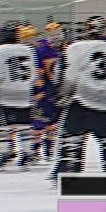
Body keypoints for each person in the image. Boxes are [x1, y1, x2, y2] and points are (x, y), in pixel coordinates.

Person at [52, 16, 106, 176]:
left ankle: (68, 170)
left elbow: (69, 75)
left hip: (80, 101)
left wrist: (62, 95)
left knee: (72, 139)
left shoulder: (74, 47)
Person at [0, 24, 38, 171]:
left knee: (1, 126)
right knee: (24, 124)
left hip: (4, 92)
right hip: (24, 90)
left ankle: (5, 152)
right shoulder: (28, 50)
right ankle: (28, 153)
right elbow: (33, 72)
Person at [32, 21, 64, 165]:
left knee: (53, 122)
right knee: (40, 121)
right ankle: (34, 151)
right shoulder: (41, 49)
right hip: (46, 88)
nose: (56, 36)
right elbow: (37, 72)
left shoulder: (62, 47)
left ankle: (50, 149)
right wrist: (39, 90)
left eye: (58, 32)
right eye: (53, 33)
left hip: (57, 89)